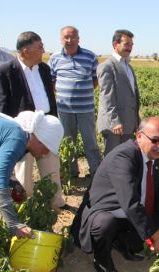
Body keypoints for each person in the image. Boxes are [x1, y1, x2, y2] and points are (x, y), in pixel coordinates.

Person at [78, 117, 159, 272]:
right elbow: (130, 202)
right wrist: (156, 235)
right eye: (155, 140)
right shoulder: (123, 157)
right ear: (139, 136)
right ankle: (102, 261)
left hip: (133, 212)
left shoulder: (158, 157)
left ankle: (124, 242)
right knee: (104, 225)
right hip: (111, 210)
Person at [0, 31, 68, 210]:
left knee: (51, 168)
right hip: (20, 130)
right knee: (23, 172)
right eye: (40, 47)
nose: (43, 51)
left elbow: (50, 99)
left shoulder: (45, 69)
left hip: (45, 127)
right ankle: (26, 207)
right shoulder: (4, 72)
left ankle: (56, 203)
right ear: (25, 51)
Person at [0, 111, 63, 237]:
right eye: (47, 148)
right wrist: (14, 224)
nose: (45, 154)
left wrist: (13, 182)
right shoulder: (17, 139)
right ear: (40, 140)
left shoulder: (20, 140)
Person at [49, 26, 101, 178]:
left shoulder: (90, 56)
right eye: (66, 37)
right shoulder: (54, 58)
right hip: (64, 109)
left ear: (79, 39)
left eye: (73, 37)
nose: (69, 40)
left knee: (90, 141)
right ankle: (71, 172)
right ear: (61, 39)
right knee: (68, 142)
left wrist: (81, 91)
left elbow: (95, 80)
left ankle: (95, 171)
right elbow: (52, 81)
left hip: (86, 108)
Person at [97, 29, 140, 156]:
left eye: (131, 45)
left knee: (124, 157)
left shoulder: (128, 66)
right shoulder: (107, 66)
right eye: (126, 44)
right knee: (112, 157)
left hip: (127, 122)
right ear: (115, 44)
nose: (130, 48)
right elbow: (107, 97)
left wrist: (136, 121)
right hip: (114, 125)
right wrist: (114, 121)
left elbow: (133, 96)